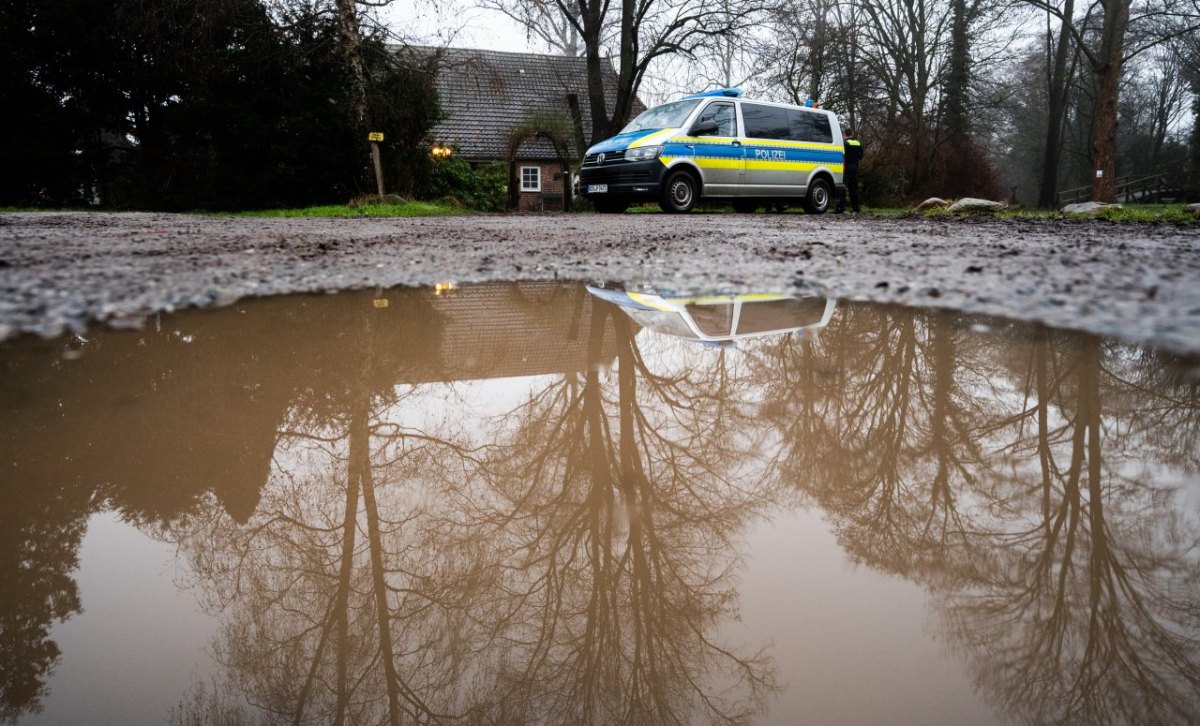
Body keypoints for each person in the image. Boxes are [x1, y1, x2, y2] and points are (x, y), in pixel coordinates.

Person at [836, 127, 864, 213]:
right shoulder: (858, 143)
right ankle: (856, 208)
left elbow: (842, 155)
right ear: (852, 134)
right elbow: (861, 155)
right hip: (855, 167)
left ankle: (841, 208)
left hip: (846, 167)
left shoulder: (845, 143)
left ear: (845, 134)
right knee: (854, 189)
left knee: (843, 188)